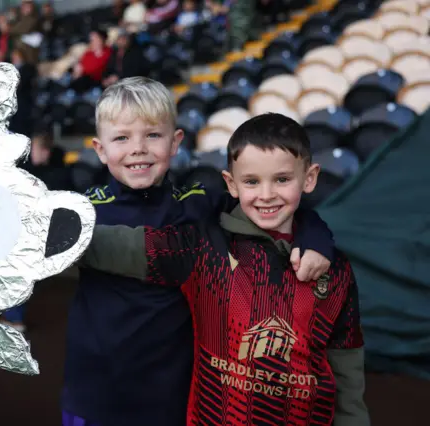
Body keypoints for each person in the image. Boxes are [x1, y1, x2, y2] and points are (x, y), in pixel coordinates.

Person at [61, 78, 335, 426]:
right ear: (100, 149)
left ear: (176, 142)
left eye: (153, 135)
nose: (138, 148)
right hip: (95, 389)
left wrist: (314, 239)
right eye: (122, 138)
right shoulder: (82, 209)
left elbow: (276, 211)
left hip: (174, 392)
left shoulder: (199, 201)